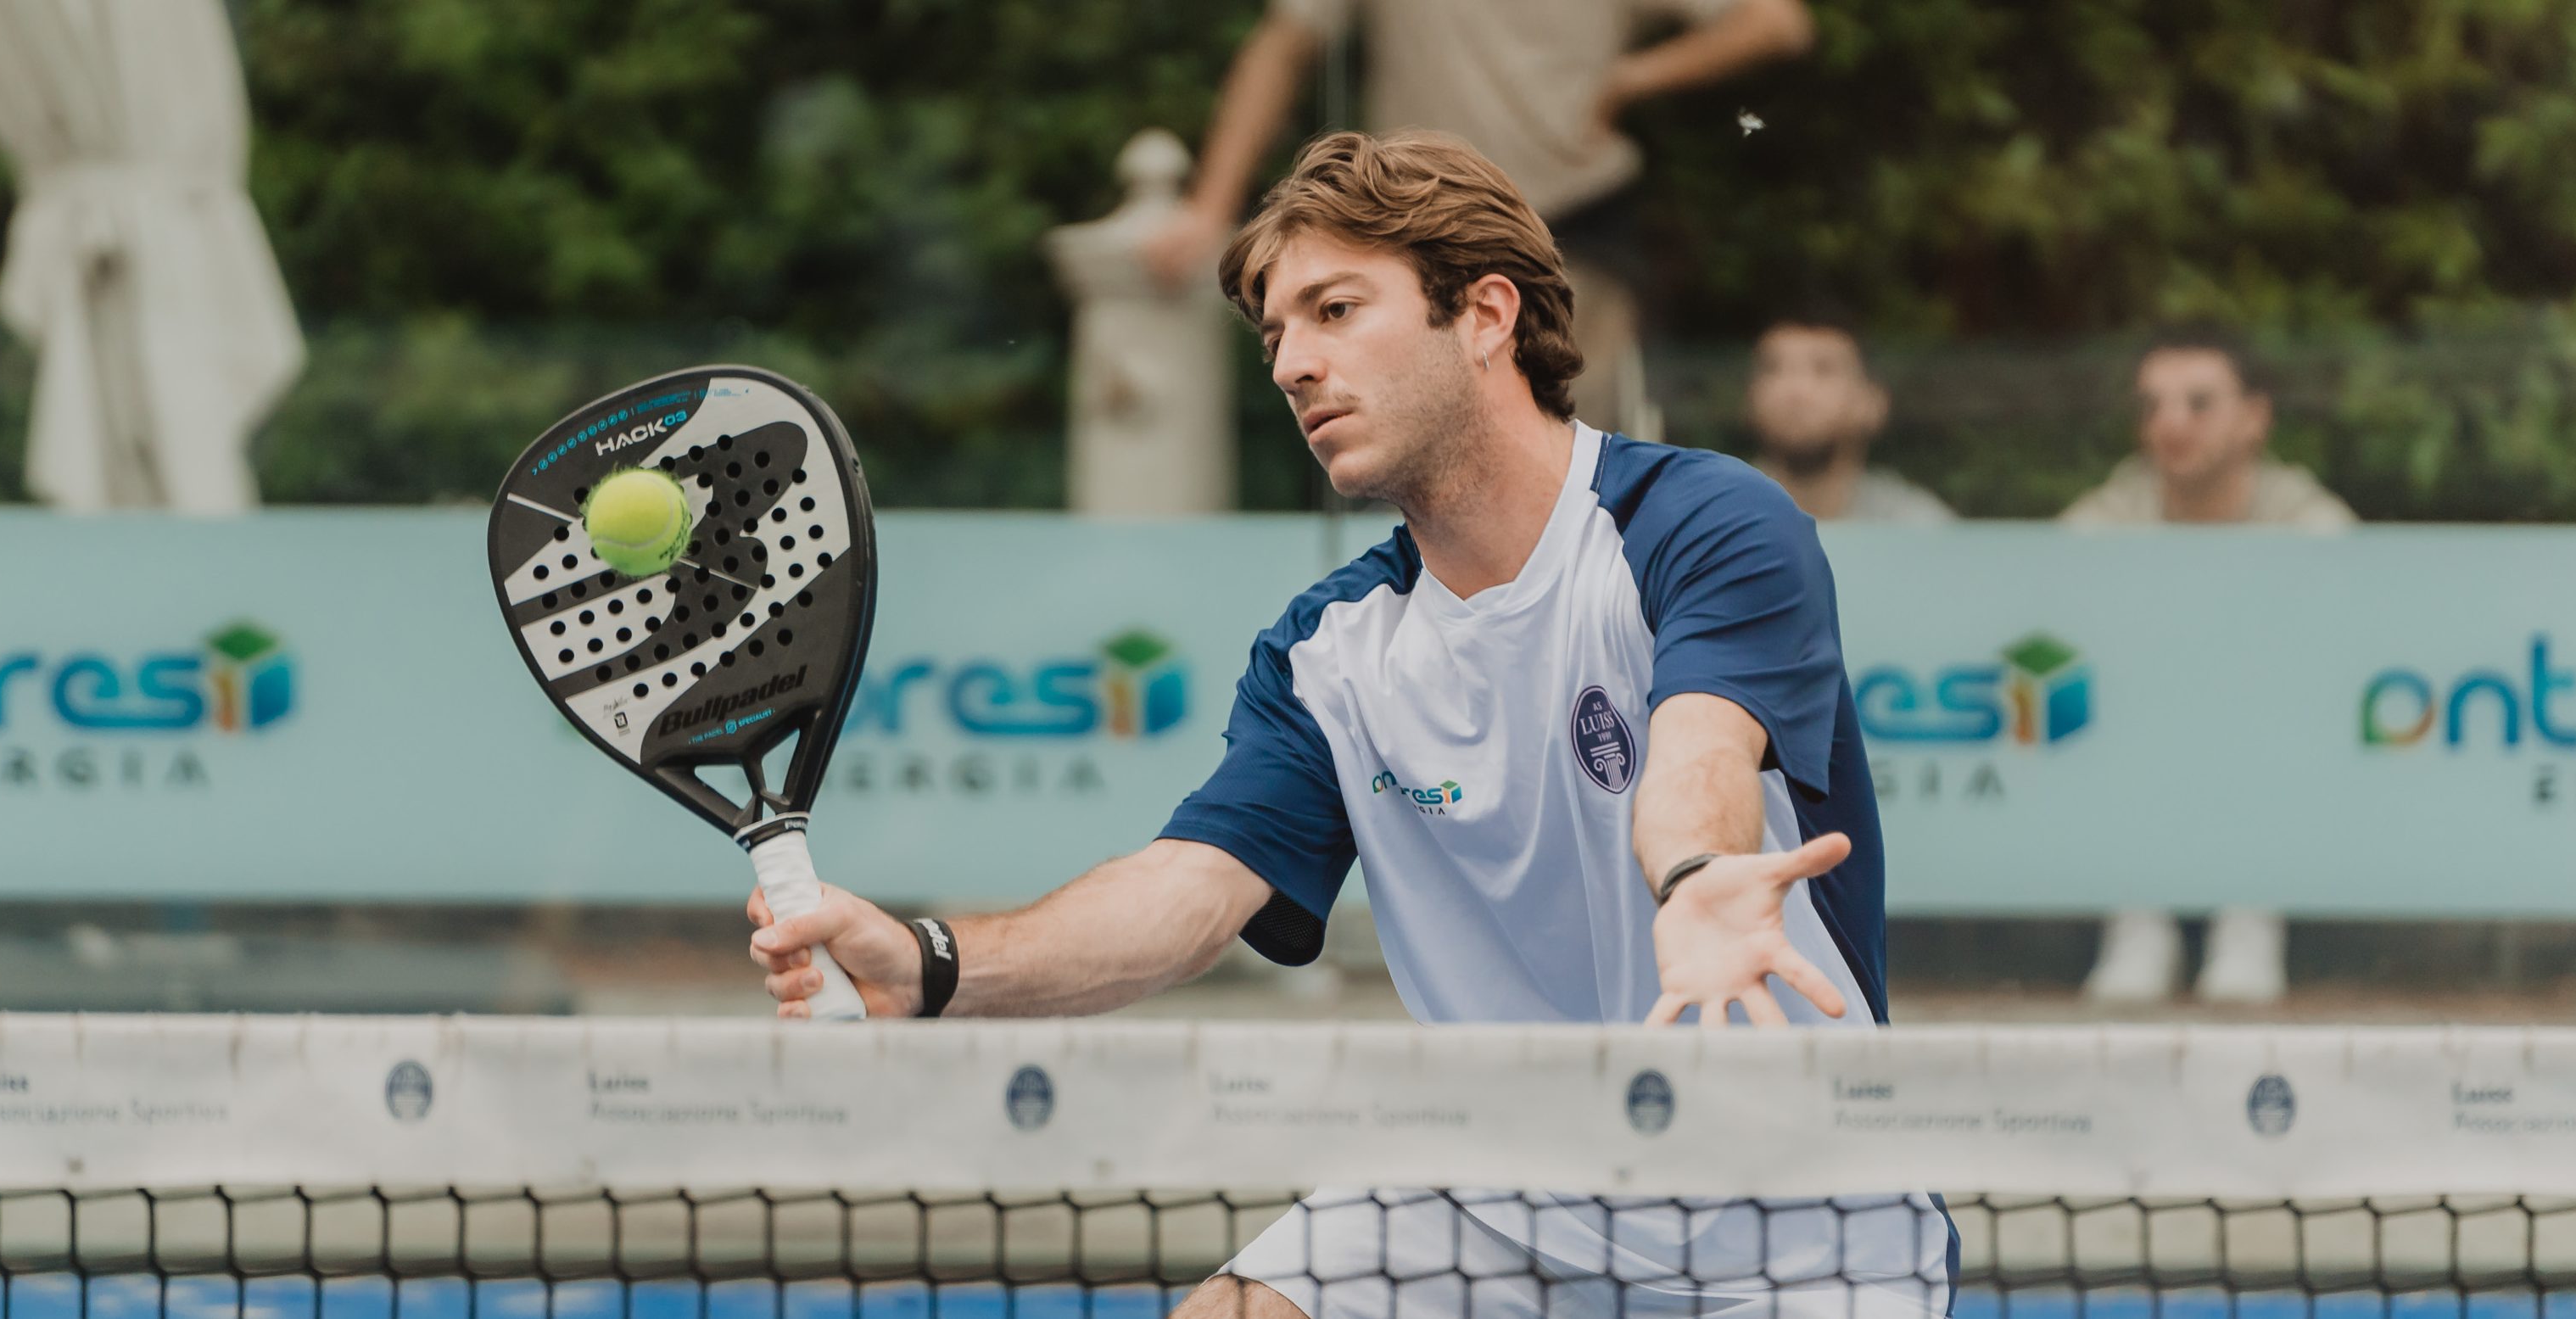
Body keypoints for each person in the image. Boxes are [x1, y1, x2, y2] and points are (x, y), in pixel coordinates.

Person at [757, 131, 1951, 1317]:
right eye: (1276, 335)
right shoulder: (1327, 649)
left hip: (1807, 1231)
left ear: (1484, 315)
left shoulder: (1702, 523)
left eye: (1334, 310)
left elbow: (1700, 747)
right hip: (1497, 1193)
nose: (1292, 364)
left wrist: (1694, 878)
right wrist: (932, 962)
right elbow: (1188, 890)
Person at [1140, 0, 1816, 437]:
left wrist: (1628, 79)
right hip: (1415, 231)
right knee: (1415, 450)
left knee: (1567, 460)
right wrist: (1209, 209)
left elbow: (1775, 21)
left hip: (1571, 223)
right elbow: (1284, 45)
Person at [2064, 326, 2355, 1006]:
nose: (2171, 423)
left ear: (2255, 417)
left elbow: (2338, 645)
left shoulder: (2310, 522)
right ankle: (2138, 919)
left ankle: (2249, 915)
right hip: (2141, 743)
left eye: (2198, 403)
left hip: (2269, 747)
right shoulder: (2105, 517)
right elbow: (2052, 613)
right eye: (2152, 406)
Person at [1743, 307, 1954, 523]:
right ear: (1750, 397)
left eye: (1823, 369)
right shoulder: (1723, 518)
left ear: (1873, 402)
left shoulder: (1918, 527)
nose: (1796, 391)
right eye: (1773, 369)